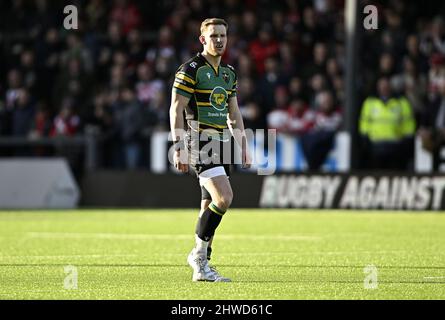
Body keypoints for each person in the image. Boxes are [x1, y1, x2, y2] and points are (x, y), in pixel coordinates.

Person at [169, 18, 251, 282]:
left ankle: (203, 263)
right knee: (224, 198)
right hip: (199, 141)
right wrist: (179, 146)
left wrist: (244, 146)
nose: (219, 40)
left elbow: (234, 113)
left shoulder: (229, 73)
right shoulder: (190, 70)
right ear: (202, 39)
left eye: (223, 36)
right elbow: (176, 108)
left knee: (208, 204)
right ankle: (198, 257)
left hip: (222, 142)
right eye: (214, 35)